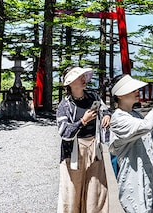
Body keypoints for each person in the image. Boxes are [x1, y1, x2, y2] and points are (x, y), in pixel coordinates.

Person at [109, 74, 153, 213]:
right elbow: (147, 125)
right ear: (120, 95)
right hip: (133, 180)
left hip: (147, 178)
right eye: (132, 90)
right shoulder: (118, 119)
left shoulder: (136, 114)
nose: (137, 91)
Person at [56, 66, 111, 213]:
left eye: (82, 76)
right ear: (69, 83)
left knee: (97, 191)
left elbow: (105, 109)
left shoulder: (93, 97)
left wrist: (107, 115)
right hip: (73, 151)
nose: (82, 79)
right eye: (77, 77)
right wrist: (83, 121)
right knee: (72, 193)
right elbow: (64, 132)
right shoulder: (64, 105)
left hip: (94, 148)